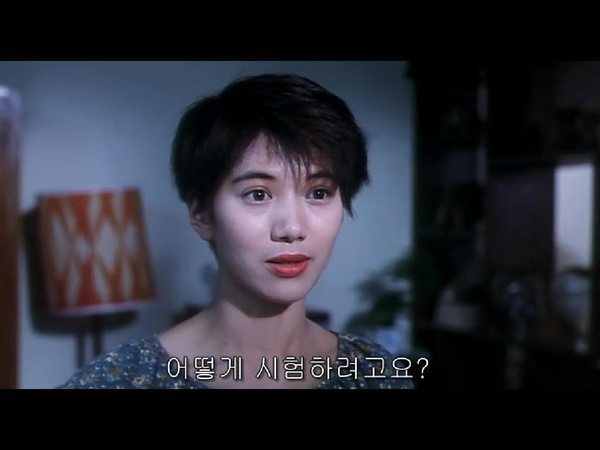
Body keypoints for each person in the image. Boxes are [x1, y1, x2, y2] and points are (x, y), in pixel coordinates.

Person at [59, 73, 414, 389]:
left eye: (318, 193)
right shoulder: (120, 379)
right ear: (201, 213)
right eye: (257, 194)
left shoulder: (375, 373)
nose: (291, 228)